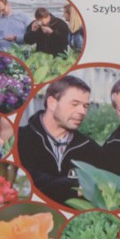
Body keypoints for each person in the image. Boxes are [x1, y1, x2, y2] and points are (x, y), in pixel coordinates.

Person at [17, 75, 103, 204]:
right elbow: (26, 181)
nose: (82, 111)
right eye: (75, 104)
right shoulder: (20, 140)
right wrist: (75, 186)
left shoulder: (90, 149)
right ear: (52, 103)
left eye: (85, 106)